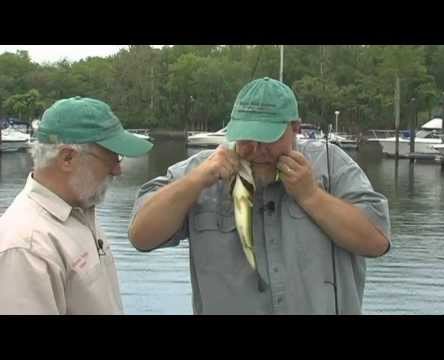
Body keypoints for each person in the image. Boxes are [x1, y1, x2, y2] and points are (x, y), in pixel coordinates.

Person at [128, 77, 391, 315]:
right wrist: (197, 180)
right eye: (247, 137)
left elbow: (376, 242)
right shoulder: (203, 170)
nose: (256, 150)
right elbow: (141, 236)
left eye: (268, 139)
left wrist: (311, 196)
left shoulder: (333, 166)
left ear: (295, 128)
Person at [0, 96, 153, 314]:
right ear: (67, 159)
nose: (117, 170)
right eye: (111, 158)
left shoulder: (80, 210)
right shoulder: (26, 246)